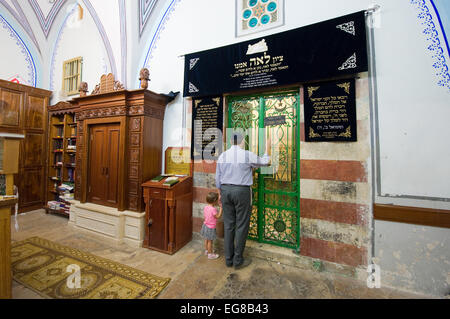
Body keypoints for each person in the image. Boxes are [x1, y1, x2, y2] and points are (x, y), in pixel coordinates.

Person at [216, 131, 271, 269]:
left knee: (228, 225)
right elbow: (266, 162)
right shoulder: (247, 154)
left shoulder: (223, 155)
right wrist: (268, 148)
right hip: (241, 192)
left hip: (225, 190)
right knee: (241, 225)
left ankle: (228, 259)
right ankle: (238, 260)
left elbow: (218, 178)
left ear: (230, 141)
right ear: (242, 141)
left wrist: (220, 194)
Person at [200, 192, 223, 260]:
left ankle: (207, 251)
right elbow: (218, 216)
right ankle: (210, 254)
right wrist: (221, 209)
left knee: (206, 239)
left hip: (205, 225)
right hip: (211, 227)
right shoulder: (213, 209)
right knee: (210, 241)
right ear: (214, 201)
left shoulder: (206, 207)